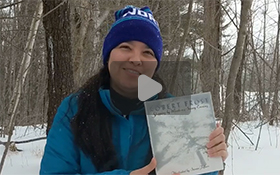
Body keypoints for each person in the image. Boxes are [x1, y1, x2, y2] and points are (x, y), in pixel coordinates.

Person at [39, 5, 228, 175]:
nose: (136, 59)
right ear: (108, 56)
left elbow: (191, 169)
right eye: (125, 47)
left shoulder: (176, 113)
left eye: (147, 52)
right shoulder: (75, 108)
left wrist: (212, 158)